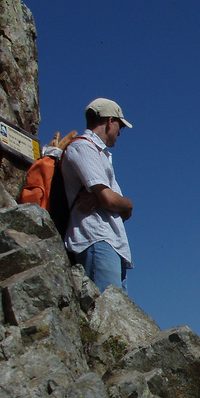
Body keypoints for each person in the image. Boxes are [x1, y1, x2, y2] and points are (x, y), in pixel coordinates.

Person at [62, 98, 134, 293]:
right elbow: (110, 200)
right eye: (120, 125)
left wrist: (118, 204)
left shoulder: (100, 154)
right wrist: (126, 203)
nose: (119, 132)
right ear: (110, 121)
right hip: (97, 239)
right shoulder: (83, 147)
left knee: (118, 317)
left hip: (110, 243)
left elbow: (119, 208)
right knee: (106, 316)